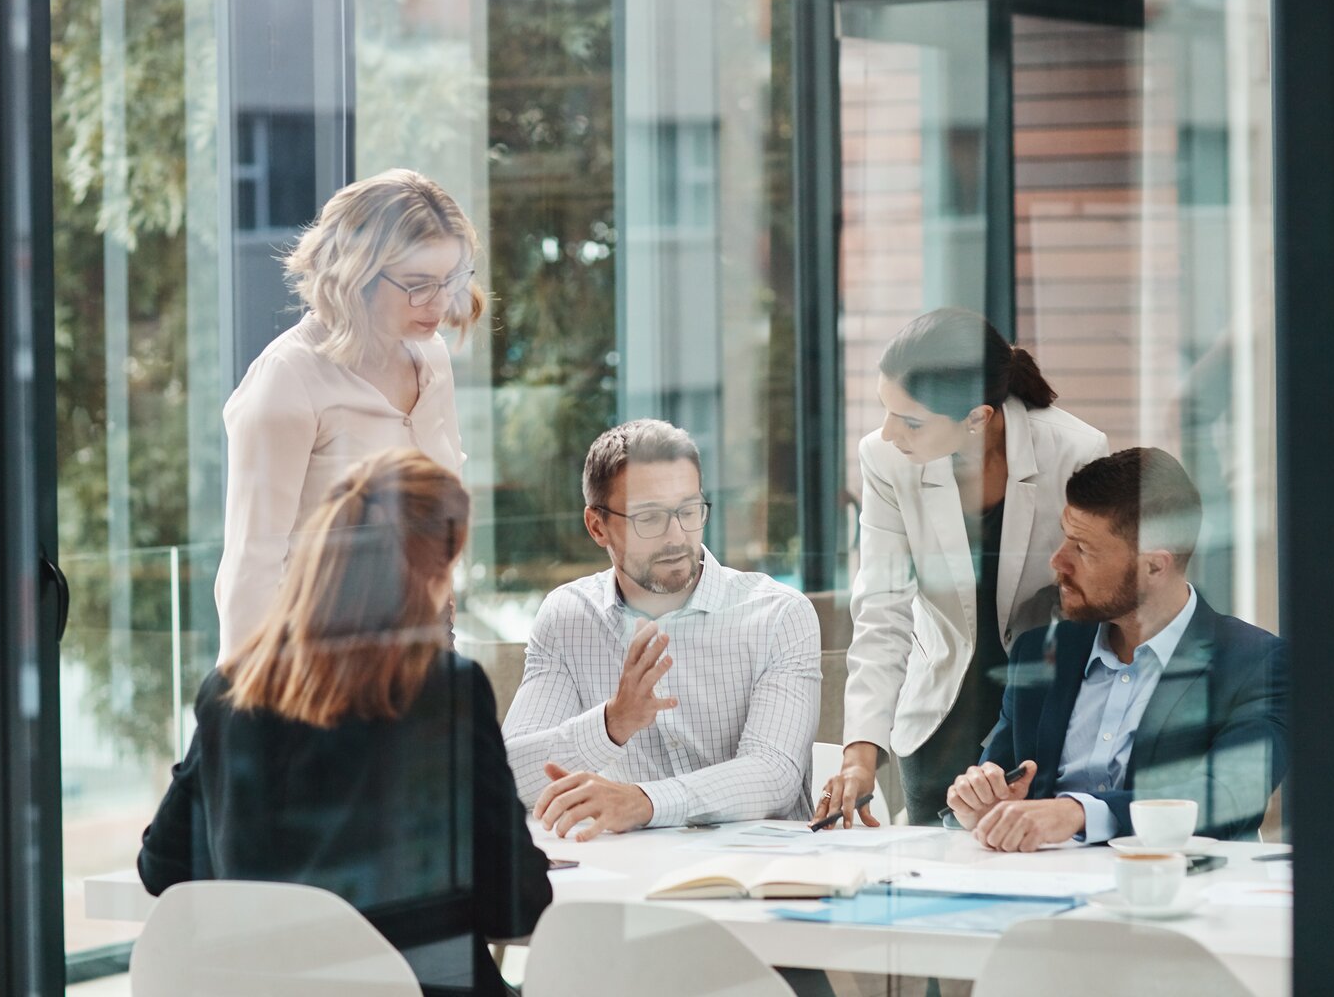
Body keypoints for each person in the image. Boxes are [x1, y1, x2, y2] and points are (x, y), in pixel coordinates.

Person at [139, 450, 550, 996]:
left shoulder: (232, 690)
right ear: (433, 569)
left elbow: (161, 867)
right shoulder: (445, 690)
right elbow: (516, 905)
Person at [818, 308, 1107, 829]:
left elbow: (1091, 598)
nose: (887, 434)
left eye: (909, 421)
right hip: (941, 717)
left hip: (1042, 711)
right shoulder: (884, 461)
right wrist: (859, 757)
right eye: (886, 410)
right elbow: (882, 611)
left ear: (977, 418)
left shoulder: (1075, 451)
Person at [944, 448, 1286, 851]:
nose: (1058, 562)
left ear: (1155, 567)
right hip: (1041, 883)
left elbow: (1224, 800)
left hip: (1177, 890)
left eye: (1083, 550)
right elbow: (1001, 776)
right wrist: (979, 804)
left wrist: (1079, 812)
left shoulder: (1258, 663)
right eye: (1065, 539)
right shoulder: (1039, 651)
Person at [500, 419, 821, 837]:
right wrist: (611, 725)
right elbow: (510, 777)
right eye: (649, 518)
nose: (676, 536)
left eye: (689, 511)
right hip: (632, 876)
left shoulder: (778, 615)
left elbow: (773, 776)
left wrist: (644, 802)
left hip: (762, 880)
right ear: (597, 526)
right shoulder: (568, 619)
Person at [214, 169, 487, 654]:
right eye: (418, 284)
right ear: (356, 274)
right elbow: (251, 567)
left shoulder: (431, 356)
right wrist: (244, 715)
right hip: (324, 664)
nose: (441, 302)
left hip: (422, 650)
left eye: (451, 280)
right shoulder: (288, 378)